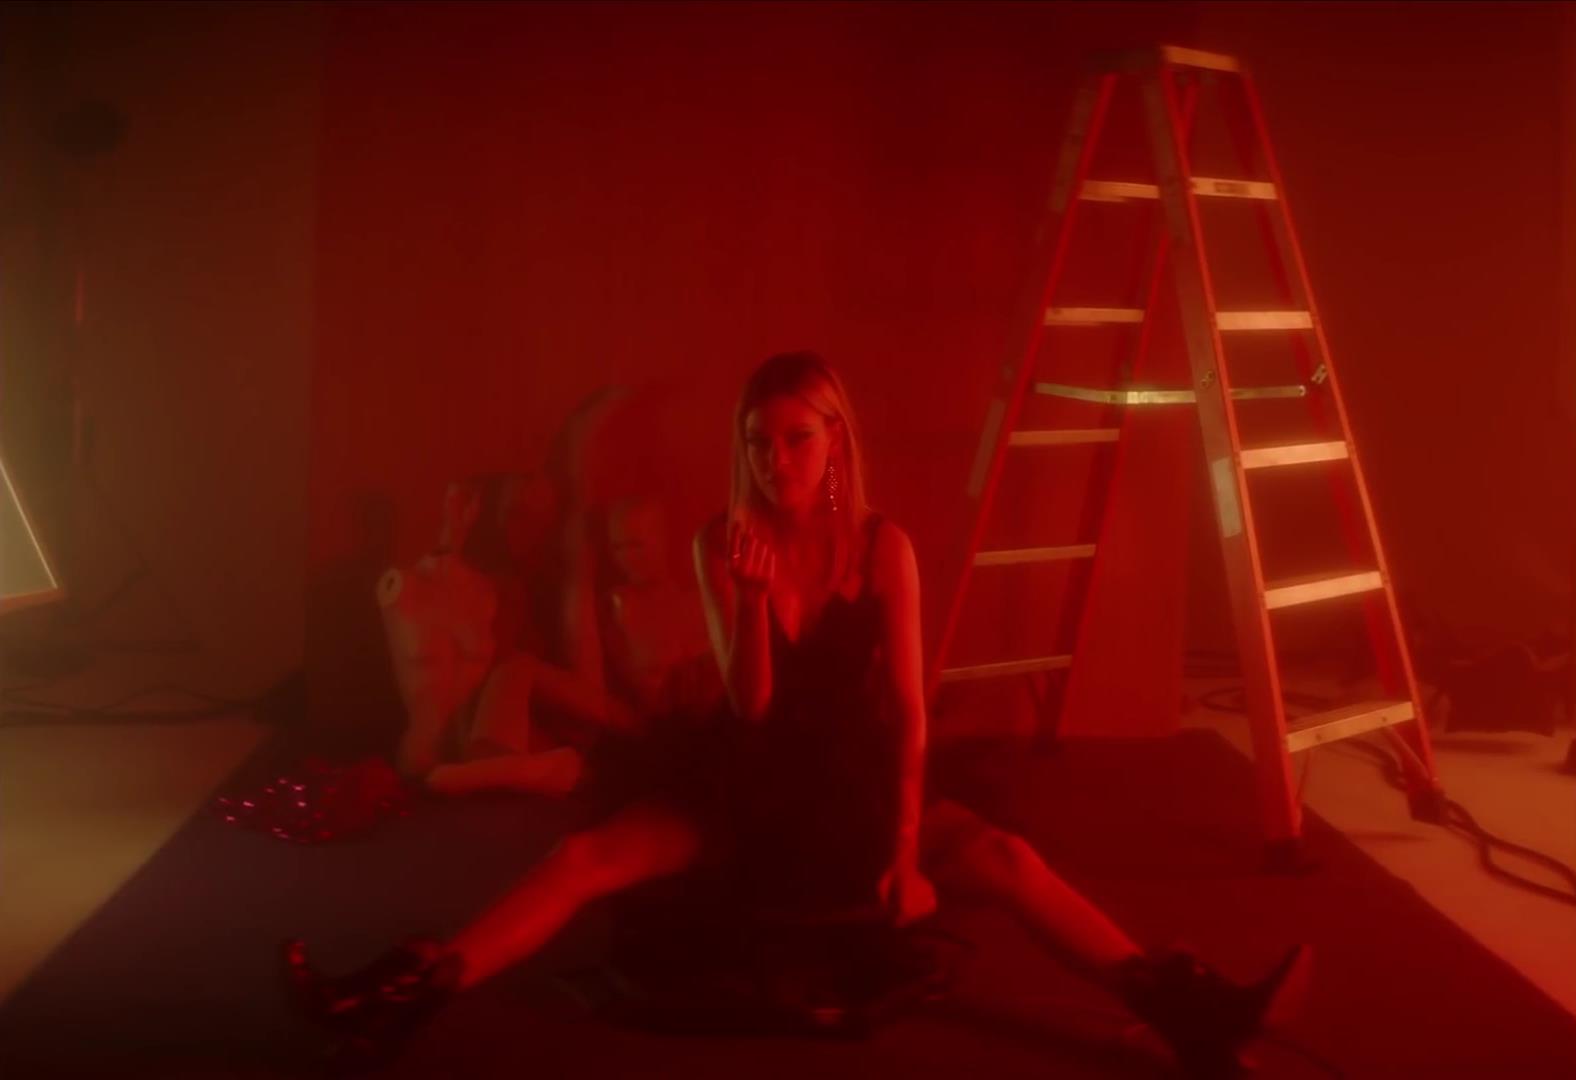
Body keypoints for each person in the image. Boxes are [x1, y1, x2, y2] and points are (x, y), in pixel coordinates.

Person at [284, 352, 1307, 1077]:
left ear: (835, 440)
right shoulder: (718, 542)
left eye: (797, 439)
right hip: (747, 777)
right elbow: (753, 706)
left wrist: (902, 857)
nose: (778, 462)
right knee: (585, 857)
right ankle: (398, 997)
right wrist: (747, 601)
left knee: (1005, 859)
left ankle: (1189, 1010)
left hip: (855, 781)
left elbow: (909, 715)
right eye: (759, 443)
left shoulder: (884, 547)